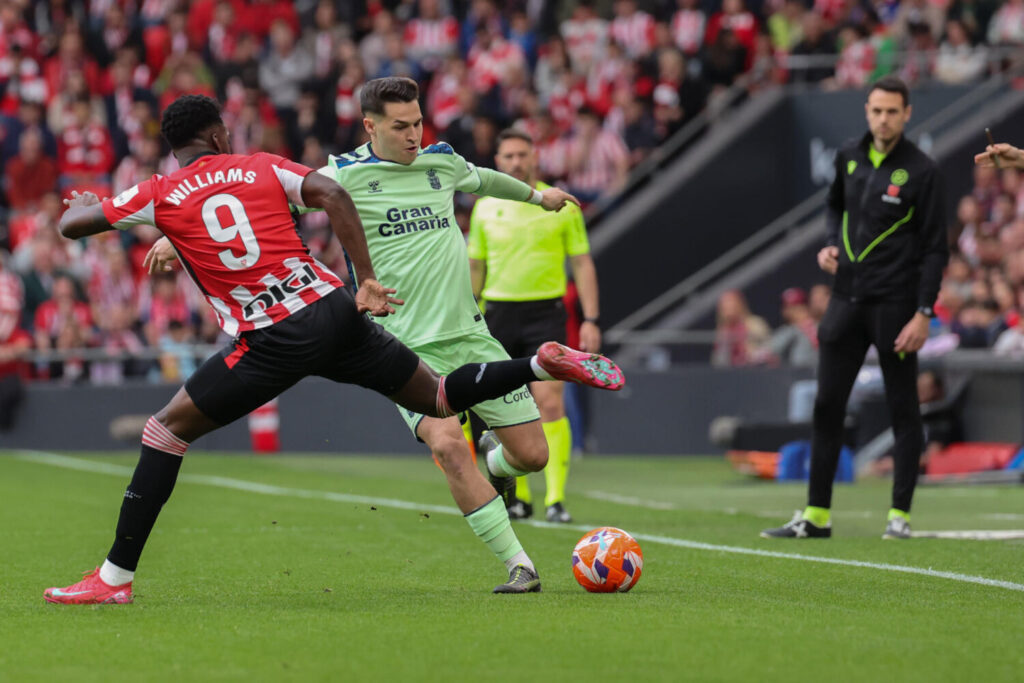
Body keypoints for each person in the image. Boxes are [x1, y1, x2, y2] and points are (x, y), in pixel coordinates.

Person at [43, 94, 625, 605]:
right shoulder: (262, 165)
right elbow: (329, 194)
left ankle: (114, 577)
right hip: (336, 311)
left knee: (165, 431)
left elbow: (74, 227)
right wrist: (365, 279)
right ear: (220, 134)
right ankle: (536, 363)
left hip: (272, 336)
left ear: (173, 149)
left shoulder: (159, 191)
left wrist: (86, 203)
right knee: (442, 400)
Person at [762, 76, 948, 541]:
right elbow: (833, 210)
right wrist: (829, 245)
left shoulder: (922, 171)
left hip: (895, 305)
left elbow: (935, 250)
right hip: (845, 300)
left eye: (892, 112)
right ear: (866, 111)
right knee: (826, 405)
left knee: (903, 408)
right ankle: (816, 515)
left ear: (907, 114)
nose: (883, 119)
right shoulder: (848, 156)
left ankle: (899, 517)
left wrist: (924, 313)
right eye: (877, 110)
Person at [467, 128, 601, 523]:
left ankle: (555, 500)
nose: (515, 162)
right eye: (507, 156)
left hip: (546, 313)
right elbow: (476, 265)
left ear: (535, 158)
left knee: (550, 401)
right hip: (498, 314)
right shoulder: (486, 207)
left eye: (522, 155)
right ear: (498, 161)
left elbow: (582, 262)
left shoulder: (561, 204)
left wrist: (591, 318)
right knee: (505, 408)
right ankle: (520, 497)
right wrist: (470, 311)